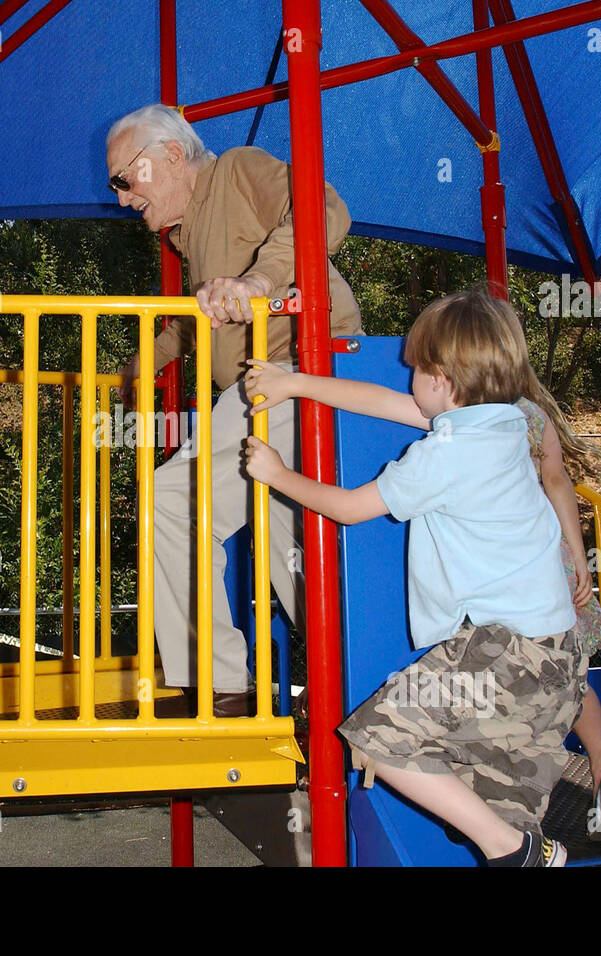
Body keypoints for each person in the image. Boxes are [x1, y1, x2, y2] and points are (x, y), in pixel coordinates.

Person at [242, 287, 583, 865]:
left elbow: (350, 507)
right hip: (560, 657)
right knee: (491, 808)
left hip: (506, 651)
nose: (409, 380)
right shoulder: (509, 422)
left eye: (419, 368)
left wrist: (276, 474)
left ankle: (514, 850)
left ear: (445, 379)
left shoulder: (446, 455)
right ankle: (528, 850)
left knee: (379, 739)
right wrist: (294, 383)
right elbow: (379, 402)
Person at [105, 103, 362, 716]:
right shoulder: (188, 229)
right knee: (281, 539)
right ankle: (349, 675)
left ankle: (222, 684)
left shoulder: (238, 171)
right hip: (259, 385)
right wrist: (157, 354)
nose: (119, 198)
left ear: (171, 154)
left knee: (174, 500)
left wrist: (261, 282)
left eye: (123, 178)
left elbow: (326, 207)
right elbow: (209, 318)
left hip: (303, 370)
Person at [513, 378, 601, 841]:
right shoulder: (531, 412)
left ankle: (519, 812)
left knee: (515, 673)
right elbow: (557, 480)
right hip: (554, 556)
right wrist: (579, 558)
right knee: (570, 672)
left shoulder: (466, 411)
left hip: (509, 563)